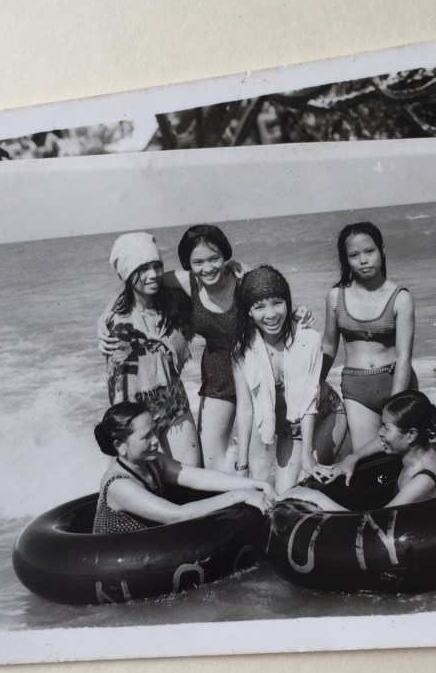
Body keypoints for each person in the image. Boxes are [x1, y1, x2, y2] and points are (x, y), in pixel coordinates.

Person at [97, 224, 312, 472]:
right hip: (217, 372)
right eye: (198, 261)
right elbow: (133, 283)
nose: (207, 268)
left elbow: (273, 303)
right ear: (189, 264)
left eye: (215, 259)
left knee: (259, 456)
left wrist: (297, 315)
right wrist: (105, 315)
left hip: (255, 368)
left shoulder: (245, 279)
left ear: (225, 257)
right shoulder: (187, 282)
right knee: (210, 463)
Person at [231, 266, 346, 493]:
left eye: (277, 302)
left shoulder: (307, 339)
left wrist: (307, 457)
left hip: (325, 414)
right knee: (283, 495)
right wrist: (241, 465)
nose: (271, 314)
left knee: (305, 483)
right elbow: (245, 409)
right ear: (248, 312)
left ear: (288, 302)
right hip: (287, 429)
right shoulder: (242, 351)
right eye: (259, 307)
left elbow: (309, 401)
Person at [92, 402, 275, 534]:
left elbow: (200, 477)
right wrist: (241, 495)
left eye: (154, 431)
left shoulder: (153, 462)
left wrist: (255, 484)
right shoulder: (119, 486)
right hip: (118, 560)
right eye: (146, 437)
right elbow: (177, 515)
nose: (156, 440)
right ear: (120, 446)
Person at [98, 232, 200, 466]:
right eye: (143, 269)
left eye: (157, 266)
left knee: (192, 474)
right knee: (155, 482)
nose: (153, 275)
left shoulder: (172, 304)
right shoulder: (118, 326)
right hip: (138, 418)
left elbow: (206, 280)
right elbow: (118, 389)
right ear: (128, 274)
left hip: (175, 404)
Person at [320, 221, 417, 454]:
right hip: (357, 389)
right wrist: (315, 384)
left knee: (403, 454)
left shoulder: (400, 297)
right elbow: (329, 345)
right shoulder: (336, 297)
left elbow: (404, 357)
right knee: (369, 459)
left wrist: (396, 407)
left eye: (369, 251)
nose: (363, 260)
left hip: (395, 383)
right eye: (354, 255)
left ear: (382, 250)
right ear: (346, 260)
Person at [291, 390, 436, 512]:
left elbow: (373, 522)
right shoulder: (424, 448)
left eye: (386, 428)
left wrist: (312, 497)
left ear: (411, 434)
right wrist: (353, 458)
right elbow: (381, 442)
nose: (380, 432)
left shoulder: (424, 481)